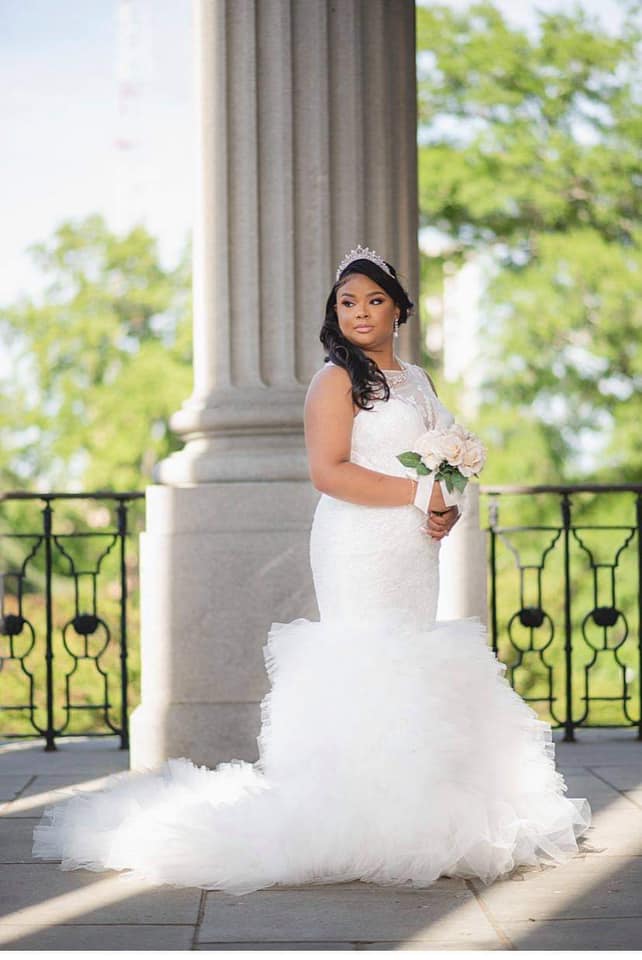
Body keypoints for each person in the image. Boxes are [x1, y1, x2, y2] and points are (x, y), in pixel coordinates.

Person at [33, 245, 591, 895]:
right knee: (367, 658)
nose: (360, 312)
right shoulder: (334, 381)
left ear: (399, 310)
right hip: (357, 542)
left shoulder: (419, 382)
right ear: (335, 312)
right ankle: (358, 817)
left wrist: (445, 508)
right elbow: (331, 472)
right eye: (347, 302)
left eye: (374, 300)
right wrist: (418, 496)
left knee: (410, 660)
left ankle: (418, 809)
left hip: (413, 547)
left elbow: (445, 463)